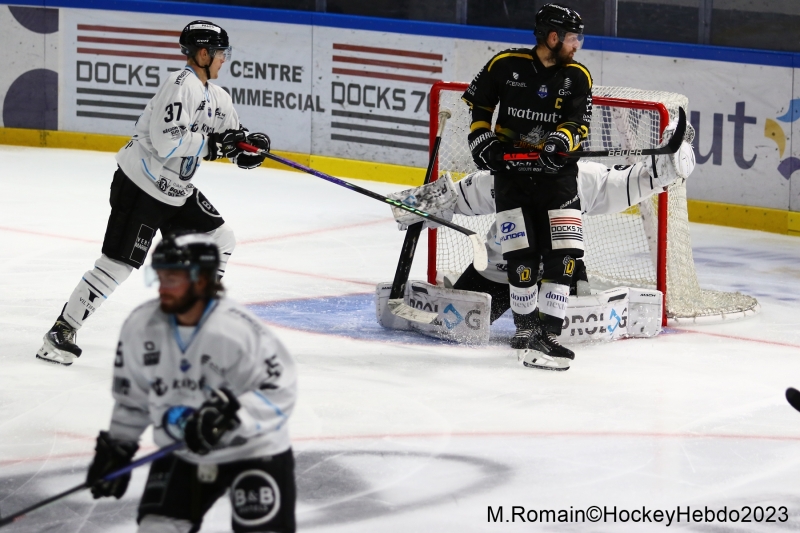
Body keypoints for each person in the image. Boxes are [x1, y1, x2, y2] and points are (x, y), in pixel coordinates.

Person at [36, 20, 271, 366]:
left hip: (177, 190)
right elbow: (166, 141)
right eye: (220, 52)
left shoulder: (217, 96)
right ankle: (61, 331)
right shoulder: (180, 86)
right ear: (203, 53)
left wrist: (247, 149)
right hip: (141, 185)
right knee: (119, 264)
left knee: (221, 239)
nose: (224, 58)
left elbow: (230, 137)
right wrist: (214, 145)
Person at [387, 123, 695, 370]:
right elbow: (452, 198)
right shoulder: (500, 178)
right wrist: (412, 204)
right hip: (502, 269)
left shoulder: (580, 178)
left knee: (572, 323)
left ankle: (554, 321)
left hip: (557, 274)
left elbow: (637, 181)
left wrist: (669, 164)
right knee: (459, 326)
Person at [86, 233, 297, 533]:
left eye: (173, 278)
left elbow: (280, 389)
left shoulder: (238, 332)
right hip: (184, 451)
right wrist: (119, 448)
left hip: (254, 451)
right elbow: (132, 398)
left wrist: (234, 417)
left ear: (202, 280)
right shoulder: (141, 327)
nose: (162, 288)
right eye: (160, 277)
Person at [462, 3, 592, 369]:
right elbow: (481, 106)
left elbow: (577, 123)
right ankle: (524, 329)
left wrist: (560, 141)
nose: (577, 44)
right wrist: (480, 139)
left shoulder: (578, 76)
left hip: (558, 177)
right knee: (520, 255)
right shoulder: (504, 64)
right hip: (512, 176)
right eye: (572, 37)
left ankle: (548, 332)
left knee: (563, 257)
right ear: (552, 37)